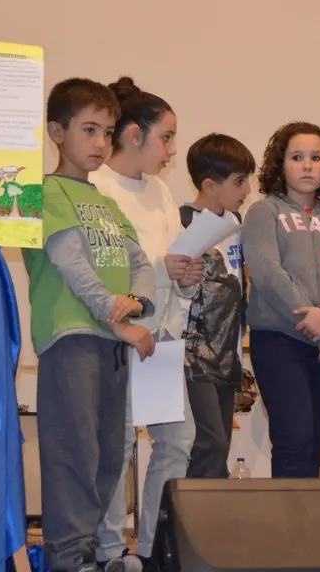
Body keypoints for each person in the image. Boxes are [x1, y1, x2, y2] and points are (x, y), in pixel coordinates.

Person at [24, 78, 157, 572]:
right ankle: (68, 556)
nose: (101, 142)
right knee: (73, 451)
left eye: (107, 132)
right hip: (73, 336)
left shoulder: (105, 201)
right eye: (89, 130)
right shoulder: (45, 190)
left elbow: (139, 261)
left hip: (112, 340)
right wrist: (114, 314)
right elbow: (69, 260)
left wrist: (137, 302)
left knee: (108, 455)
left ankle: (90, 552)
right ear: (57, 132)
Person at [90, 77, 202, 571]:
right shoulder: (96, 186)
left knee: (177, 439)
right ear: (134, 134)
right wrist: (164, 268)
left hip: (162, 336)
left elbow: (175, 258)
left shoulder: (159, 189)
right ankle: (110, 550)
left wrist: (188, 277)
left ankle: (154, 546)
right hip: (117, 334)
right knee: (117, 444)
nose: (172, 150)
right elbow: (109, 267)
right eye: (166, 138)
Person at [244, 121, 320, 480]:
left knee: (315, 442)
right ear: (280, 164)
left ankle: (309, 515)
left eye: (316, 157)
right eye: (297, 157)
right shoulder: (264, 212)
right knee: (293, 440)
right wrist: (317, 325)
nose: (307, 165)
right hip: (279, 340)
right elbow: (268, 274)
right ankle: (288, 518)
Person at [178, 133, 256, 480]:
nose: (247, 189)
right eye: (239, 181)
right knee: (208, 442)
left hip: (228, 353)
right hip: (192, 355)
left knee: (220, 445)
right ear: (209, 185)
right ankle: (178, 512)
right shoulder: (181, 221)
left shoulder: (237, 225)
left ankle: (206, 508)